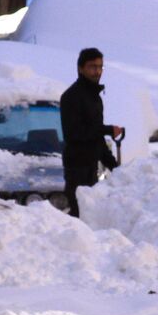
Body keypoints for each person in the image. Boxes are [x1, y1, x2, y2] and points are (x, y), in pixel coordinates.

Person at [60, 47, 124, 217]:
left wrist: (113, 165)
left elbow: (96, 137)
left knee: (90, 215)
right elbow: (74, 133)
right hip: (76, 167)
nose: (97, 71)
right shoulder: (71, 97)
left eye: (100, 67)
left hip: (91, 167)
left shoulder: (95, 97)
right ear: (81, 68)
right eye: (92, 67)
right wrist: (108, 129)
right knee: (79, 214)